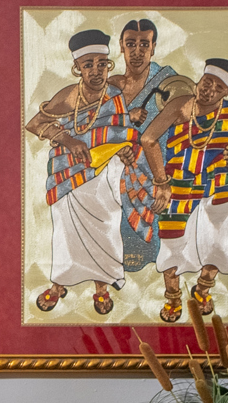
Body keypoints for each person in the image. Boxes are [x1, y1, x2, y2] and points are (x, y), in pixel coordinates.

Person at [25, 30, 163, 316]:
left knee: (107, 226)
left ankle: (102, 285)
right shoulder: (68, 95)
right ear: (78, 68)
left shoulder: (114, 93)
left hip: (104, 175)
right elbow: (35, 123)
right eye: (89, 65)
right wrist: (69, 140)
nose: (96, 70)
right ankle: (60, 284)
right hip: (70, 175)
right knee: (66, 232)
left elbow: (119, 130)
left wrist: (125, 146)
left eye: (102, 63)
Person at [150, 57, 228, 321]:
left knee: (219, 245)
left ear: (227, 93)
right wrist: (161, 183)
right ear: (200, 79)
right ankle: (173, 298)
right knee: (172, 242)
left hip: (218, 189)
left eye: (218, 87)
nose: (210, 90)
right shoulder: (180, 106)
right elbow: (149, 138)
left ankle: (202, 290)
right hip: (180, 186)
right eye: (207, 82)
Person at [111, 18, 192, 272]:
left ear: (153, 47)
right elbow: (97, 128)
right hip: (119, 174)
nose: (137, 51)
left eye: (144, 44)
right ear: (121, 47)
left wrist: (162, 180)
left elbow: (184, 127)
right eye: (130, 44)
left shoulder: (169, 82)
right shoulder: (110, 86)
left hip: (161, 171)